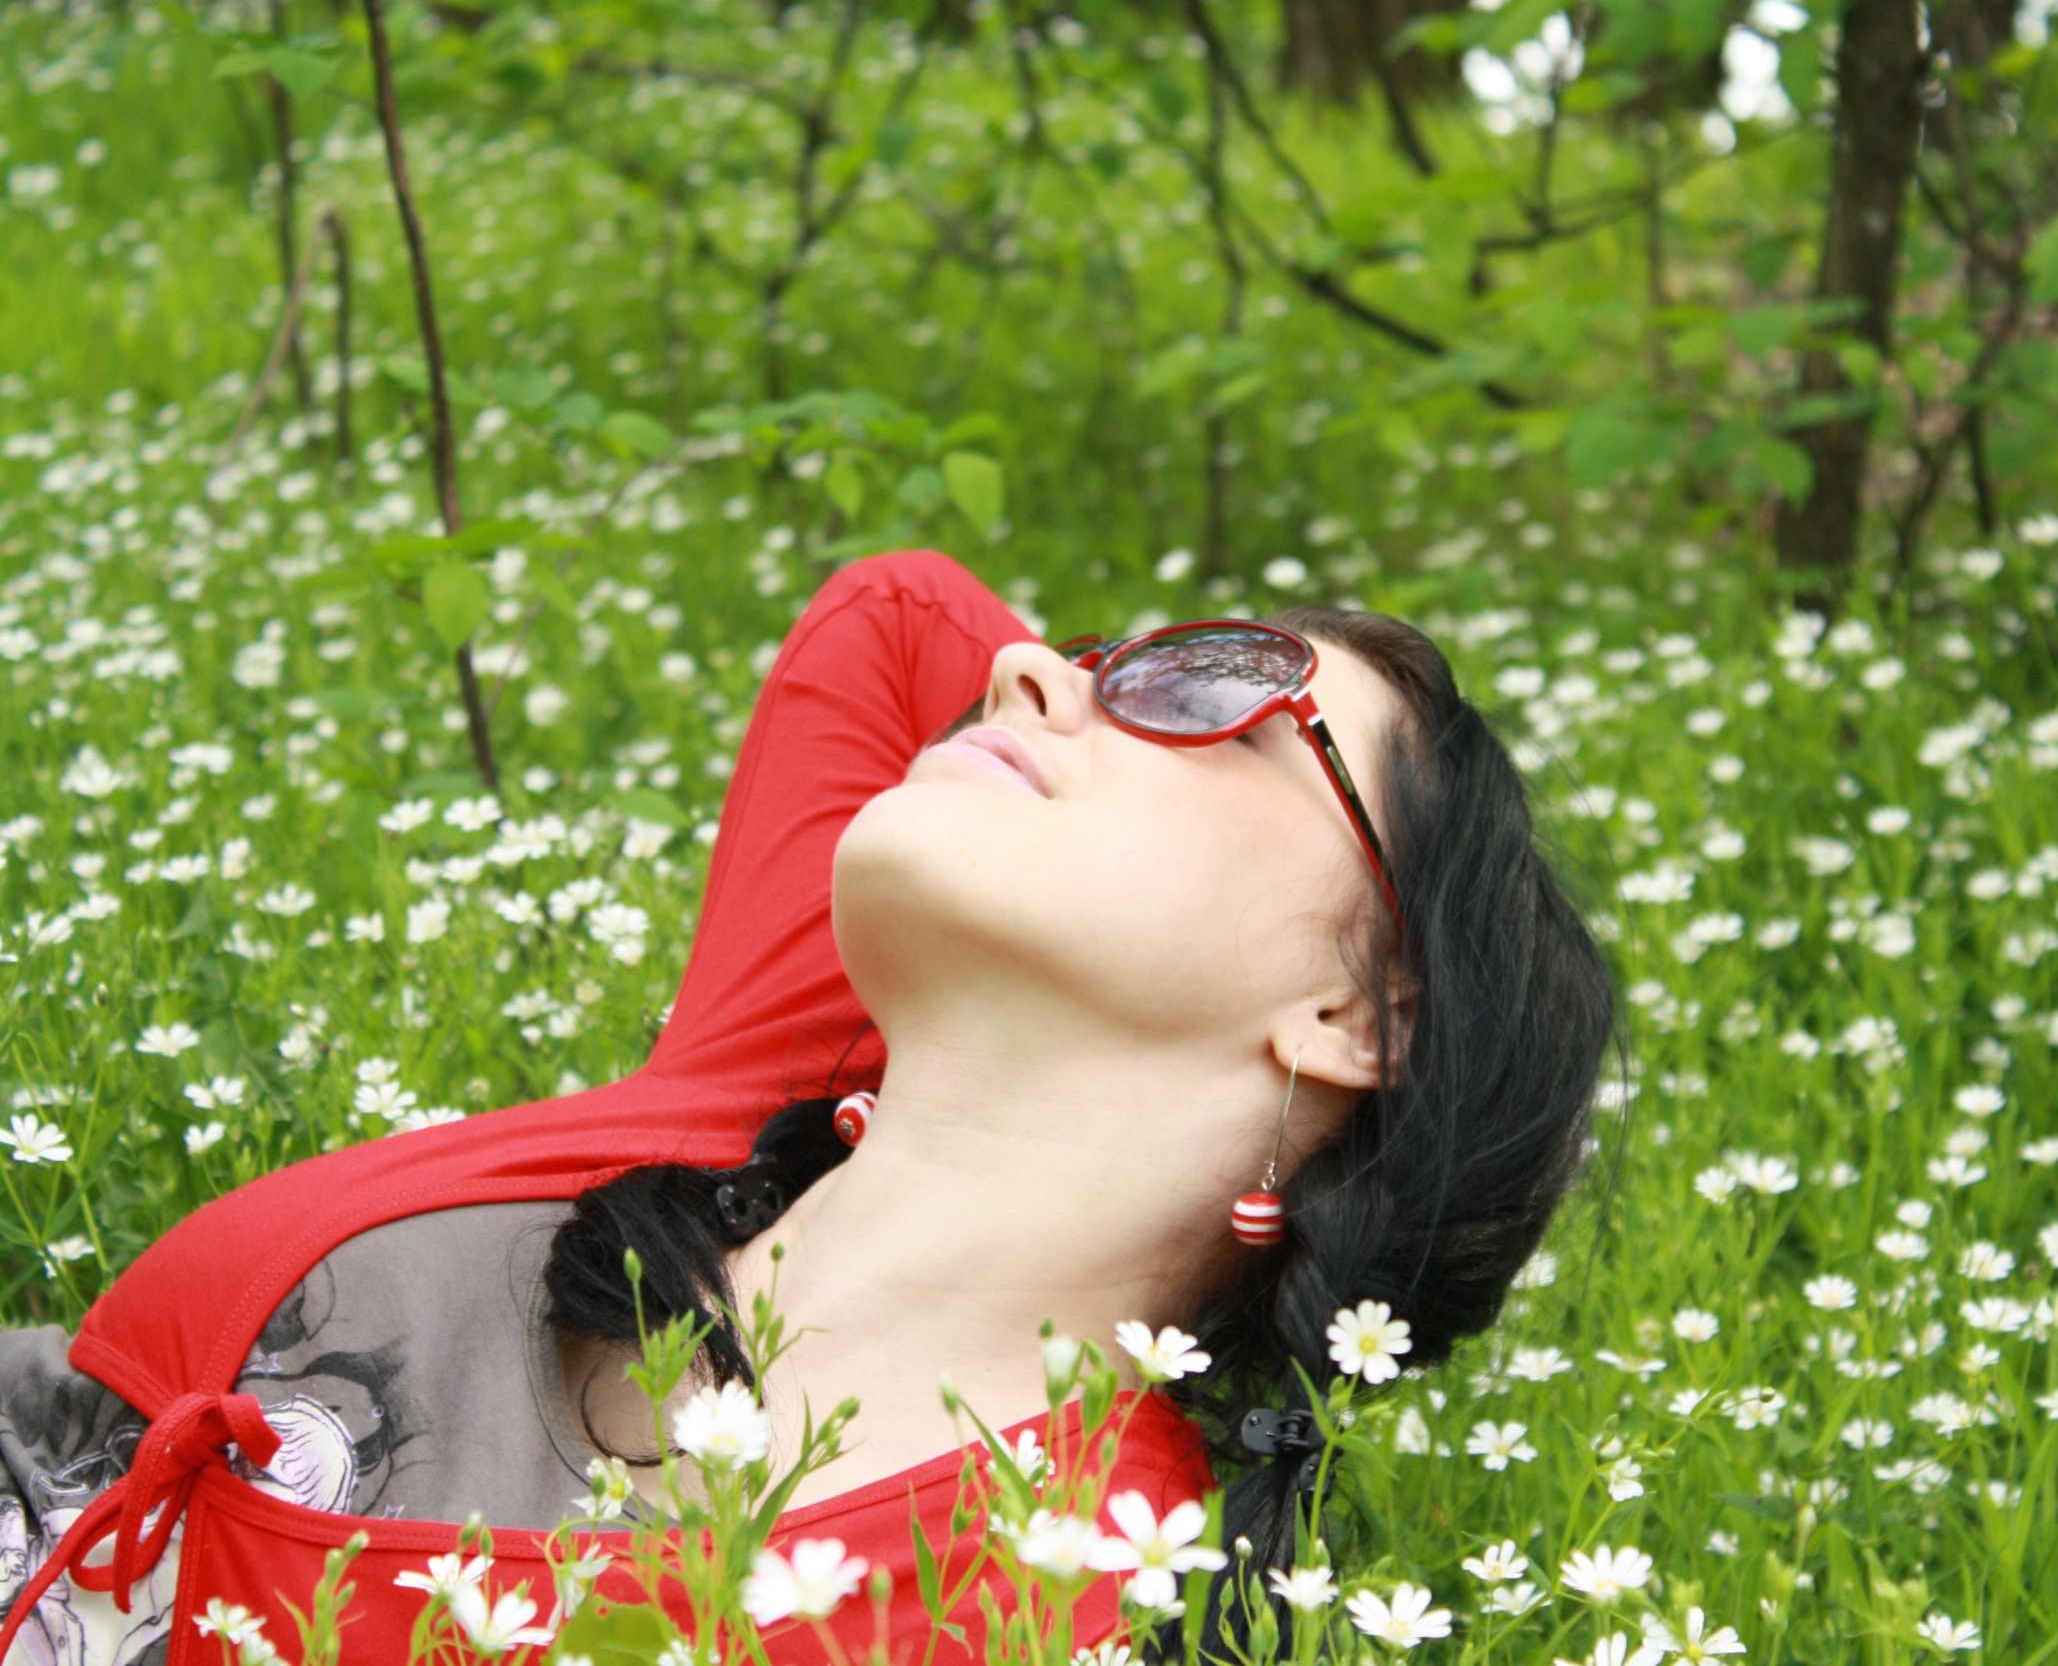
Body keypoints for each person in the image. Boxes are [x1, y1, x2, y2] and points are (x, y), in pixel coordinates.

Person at [0, 551, 1614, 1665]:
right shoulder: (720, 1116)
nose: (1027, 675)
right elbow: (900, 614)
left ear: (1362, 1011)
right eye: (1087, 657)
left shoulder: (1064, 1596)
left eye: (1206, 686)